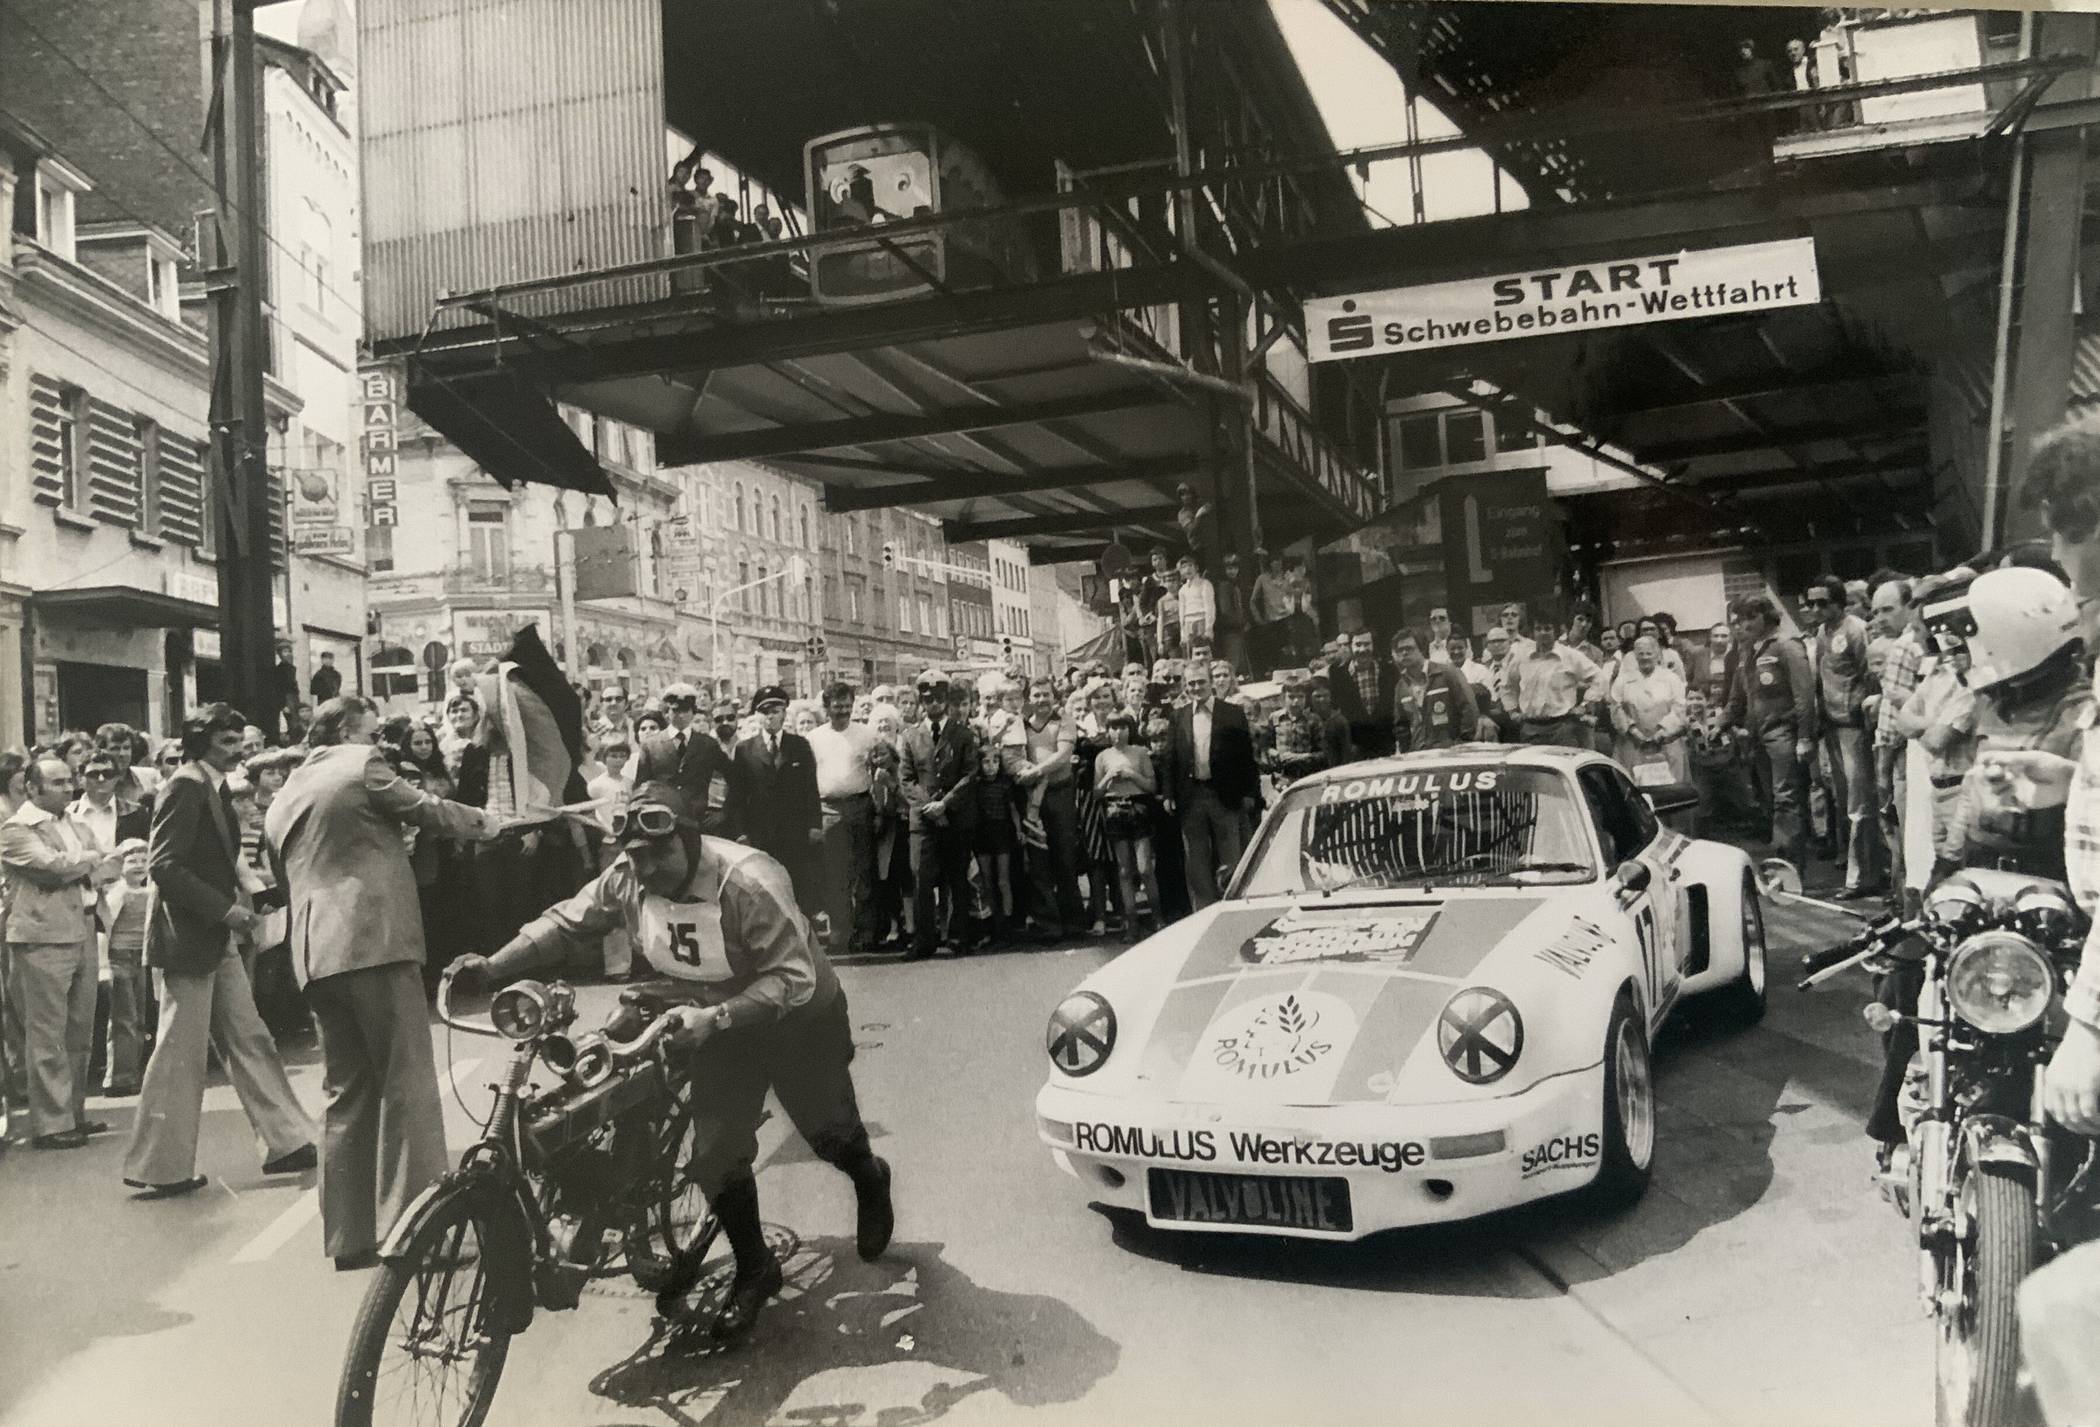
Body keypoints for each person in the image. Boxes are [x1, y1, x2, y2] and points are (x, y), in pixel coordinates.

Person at [450, 781, 894, 1343]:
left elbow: (793, 978)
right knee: (715, 1156)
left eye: (659, 855)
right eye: (636, 857)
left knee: (831, 1135)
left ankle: (870, 1176)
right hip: (708, 1014)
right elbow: (567, 922)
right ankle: (755, 1266)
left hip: (793, 1018)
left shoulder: (749, 882)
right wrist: (494, 965)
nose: (647, 870)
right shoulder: (630, 876)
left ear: (689, 840)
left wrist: (719, 1016)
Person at [264, 696, 512, 1269]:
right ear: (347, 731)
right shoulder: (361, 766)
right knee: (407, 1084)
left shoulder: (287, 792)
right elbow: (426, 808)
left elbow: (290, 869)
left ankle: (349, 1237)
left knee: (346, 1093)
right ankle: (419, 1231)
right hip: (373, 940)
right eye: (373, 732)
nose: (382, 744)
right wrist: (487, 822)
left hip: (315, 953)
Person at [119, 705, 316, 1195]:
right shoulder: (185, 786)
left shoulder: (210, 784)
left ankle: (287, 1140)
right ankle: (160, 1168)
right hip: (188, 938)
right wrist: (227, 912)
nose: (238, 750)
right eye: (227, 742)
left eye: (238, 740)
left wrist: (255, 894)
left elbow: (219, 858)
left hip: (210, 936)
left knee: (250, 1037)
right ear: (201, 743)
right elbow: (164, 866)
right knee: (179, 1054)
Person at [4, 756, 124, 1149]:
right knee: (46, 1032)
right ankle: (51, 1124)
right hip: (42, 935)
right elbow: (50, 867)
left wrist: (85, 865)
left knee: (79, 1029)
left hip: (83, 927)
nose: (68, 787)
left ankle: (73, 1113)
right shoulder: (17, 829)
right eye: (56, 782)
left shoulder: (75, 824)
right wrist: (89, 862)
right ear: (32, 788)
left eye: (69, 780)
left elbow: (110, 866)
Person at [1724, 594, 1817, 866]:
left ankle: (1789, 865)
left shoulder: (1786, 646)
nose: (1745, 624)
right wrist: (1720, 724)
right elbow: (1741, 699)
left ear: (1766, 616)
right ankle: (1783, 859)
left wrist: (1804, 737)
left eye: (1751, 617)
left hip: (1784, 734)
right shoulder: (1750, 652)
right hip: (1759, 738)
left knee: (1786, 799)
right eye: (1741, 619)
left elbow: (1804, 696)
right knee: (1771, 800)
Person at [1162, 661, 1260, 910]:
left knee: (1232, 857)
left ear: (1211, 682)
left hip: (1224, 795)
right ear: (1186, 686)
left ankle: (1235, 908)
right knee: (1196, 860)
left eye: (1201, 682)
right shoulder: (1179, 716)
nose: (1197, 687)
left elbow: (1246, 757)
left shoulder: (1232, 713)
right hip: (1191, 795)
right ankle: (1203, 911)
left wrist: (1250, 793)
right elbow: (1170, 757)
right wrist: (1168, 793)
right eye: (1191, 683)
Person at [899, 674, 981, 957]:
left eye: (939, 699)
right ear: (921, 702)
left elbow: (970, 774)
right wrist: (929, 807)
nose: (933, 704)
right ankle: (924, 939)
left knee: (957, 877)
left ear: (947, 701)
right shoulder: (910, 736)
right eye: (928, 699)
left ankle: (958, 936)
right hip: (923, 820)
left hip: (955, 817)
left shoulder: (963, 734)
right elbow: (906, 778)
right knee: (920, 879)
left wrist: (945, 804)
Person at [727, 687, 822, 913]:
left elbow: (810, 789)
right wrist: (740, 832)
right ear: (757, 716)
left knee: (798, 889)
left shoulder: (799, 746)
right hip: (761, 833)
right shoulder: (744, 749)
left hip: (795, 832)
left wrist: (814, 825)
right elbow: (737, 795)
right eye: (764, 712)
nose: (770, 717)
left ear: (784, 714)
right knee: (764, 889)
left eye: (775, 711)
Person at [1007, 677, 1083, 941]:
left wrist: (1036, 771)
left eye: (1046, 695)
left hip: (1060, 794)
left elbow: (1063, 756)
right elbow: (1013, 755)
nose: (1042, 700)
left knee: (1065, 857)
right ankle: (1049, 925)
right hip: (1032, 798)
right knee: (1038, 861)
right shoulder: (1021, 724)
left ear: (1054, 696)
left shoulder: (1064, 721)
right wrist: (1024, 773)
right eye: (1037, 695)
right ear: (1029, 699)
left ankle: (1074, 922)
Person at [808, 683, 877, 956]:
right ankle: (840, 932)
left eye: (847, 706)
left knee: (864, 873)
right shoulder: (814, 738)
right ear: (827, 708)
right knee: (835, 874)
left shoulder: (866, 734)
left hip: (860, 806)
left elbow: (878, 771)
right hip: (828, 810)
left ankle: (867, 931)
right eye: (837, 706)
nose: (843, 711)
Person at [1095, 712, 1162, 943]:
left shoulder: (1140, 753)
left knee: (1145, 868)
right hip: (1115, 808)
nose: (1118, 733)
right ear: (1107, 731)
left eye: (1123, 728)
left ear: (1129, 730)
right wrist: (1108, 778)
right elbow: (1096, 793)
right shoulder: (1103, 757)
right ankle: (1132, 923)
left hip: (1138, 807)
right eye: (1113, 728)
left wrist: (1132, 775)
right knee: (1124, 871)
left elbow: (1152, 786)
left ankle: (1157, 917)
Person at [1501, 620, 1604, 749]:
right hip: (1530, 728)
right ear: (1532, 632)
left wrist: (1585, 705)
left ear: (1556, 631)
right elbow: (1507, 685)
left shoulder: (1570, 655)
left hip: (1562, 728)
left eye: (1547, 628)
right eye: (1538, 629)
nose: (1543, 633)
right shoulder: (1522, 657)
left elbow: (1600, 678)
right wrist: (1512, 711)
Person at [1611, 636, 1692, 786]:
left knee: (1671, 787)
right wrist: (1632, 730)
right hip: (1632, 743)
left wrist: (1662, 732)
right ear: (1635, 656)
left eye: (1649, 653)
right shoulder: (1623, 680)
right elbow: (1616, 707)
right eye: (1641, 654)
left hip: (1667, 743)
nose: (1645, 658)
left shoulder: (1671, 678)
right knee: (1632, 786)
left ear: (1657, 655)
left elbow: (1679, 707)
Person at [1390, 630, 1479, 754]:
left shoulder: (1447, 673)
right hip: (1418, 754)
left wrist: (1463, 744)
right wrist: (1407, 751)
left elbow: (1469, 709)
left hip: (1450, 753)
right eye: (1400, 650)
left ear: (1421, 649)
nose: (1404, 653)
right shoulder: (1401, 686)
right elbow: (1401, 725)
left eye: (1409, 648)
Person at [1330, 630, 1396, 759]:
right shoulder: (1338, 675)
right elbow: (1336, 710)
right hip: (1354, 747)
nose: (1362, 649)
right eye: (1358, 645)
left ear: (1373, 645)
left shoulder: (1388, 670)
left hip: (1387, 744)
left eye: (1367, 644)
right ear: (1351, 646)